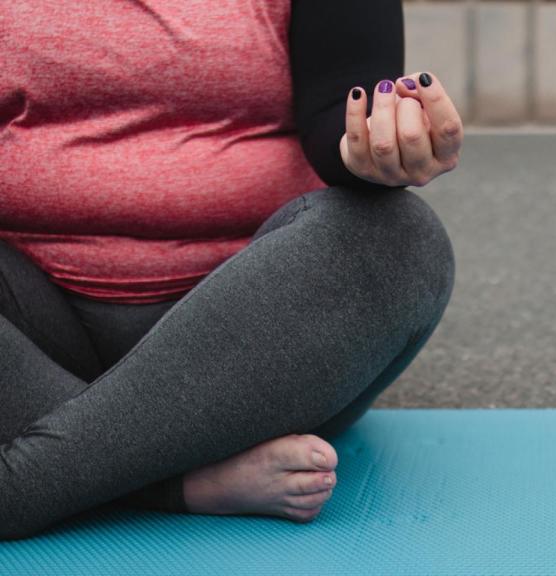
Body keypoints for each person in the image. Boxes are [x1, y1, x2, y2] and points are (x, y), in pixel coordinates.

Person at [0, 0, 462, 539]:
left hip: (250, 352)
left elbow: (341, 102)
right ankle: (171, 481)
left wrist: (375, 150)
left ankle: (28, 485)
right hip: (31, 325)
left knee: (397, 238)